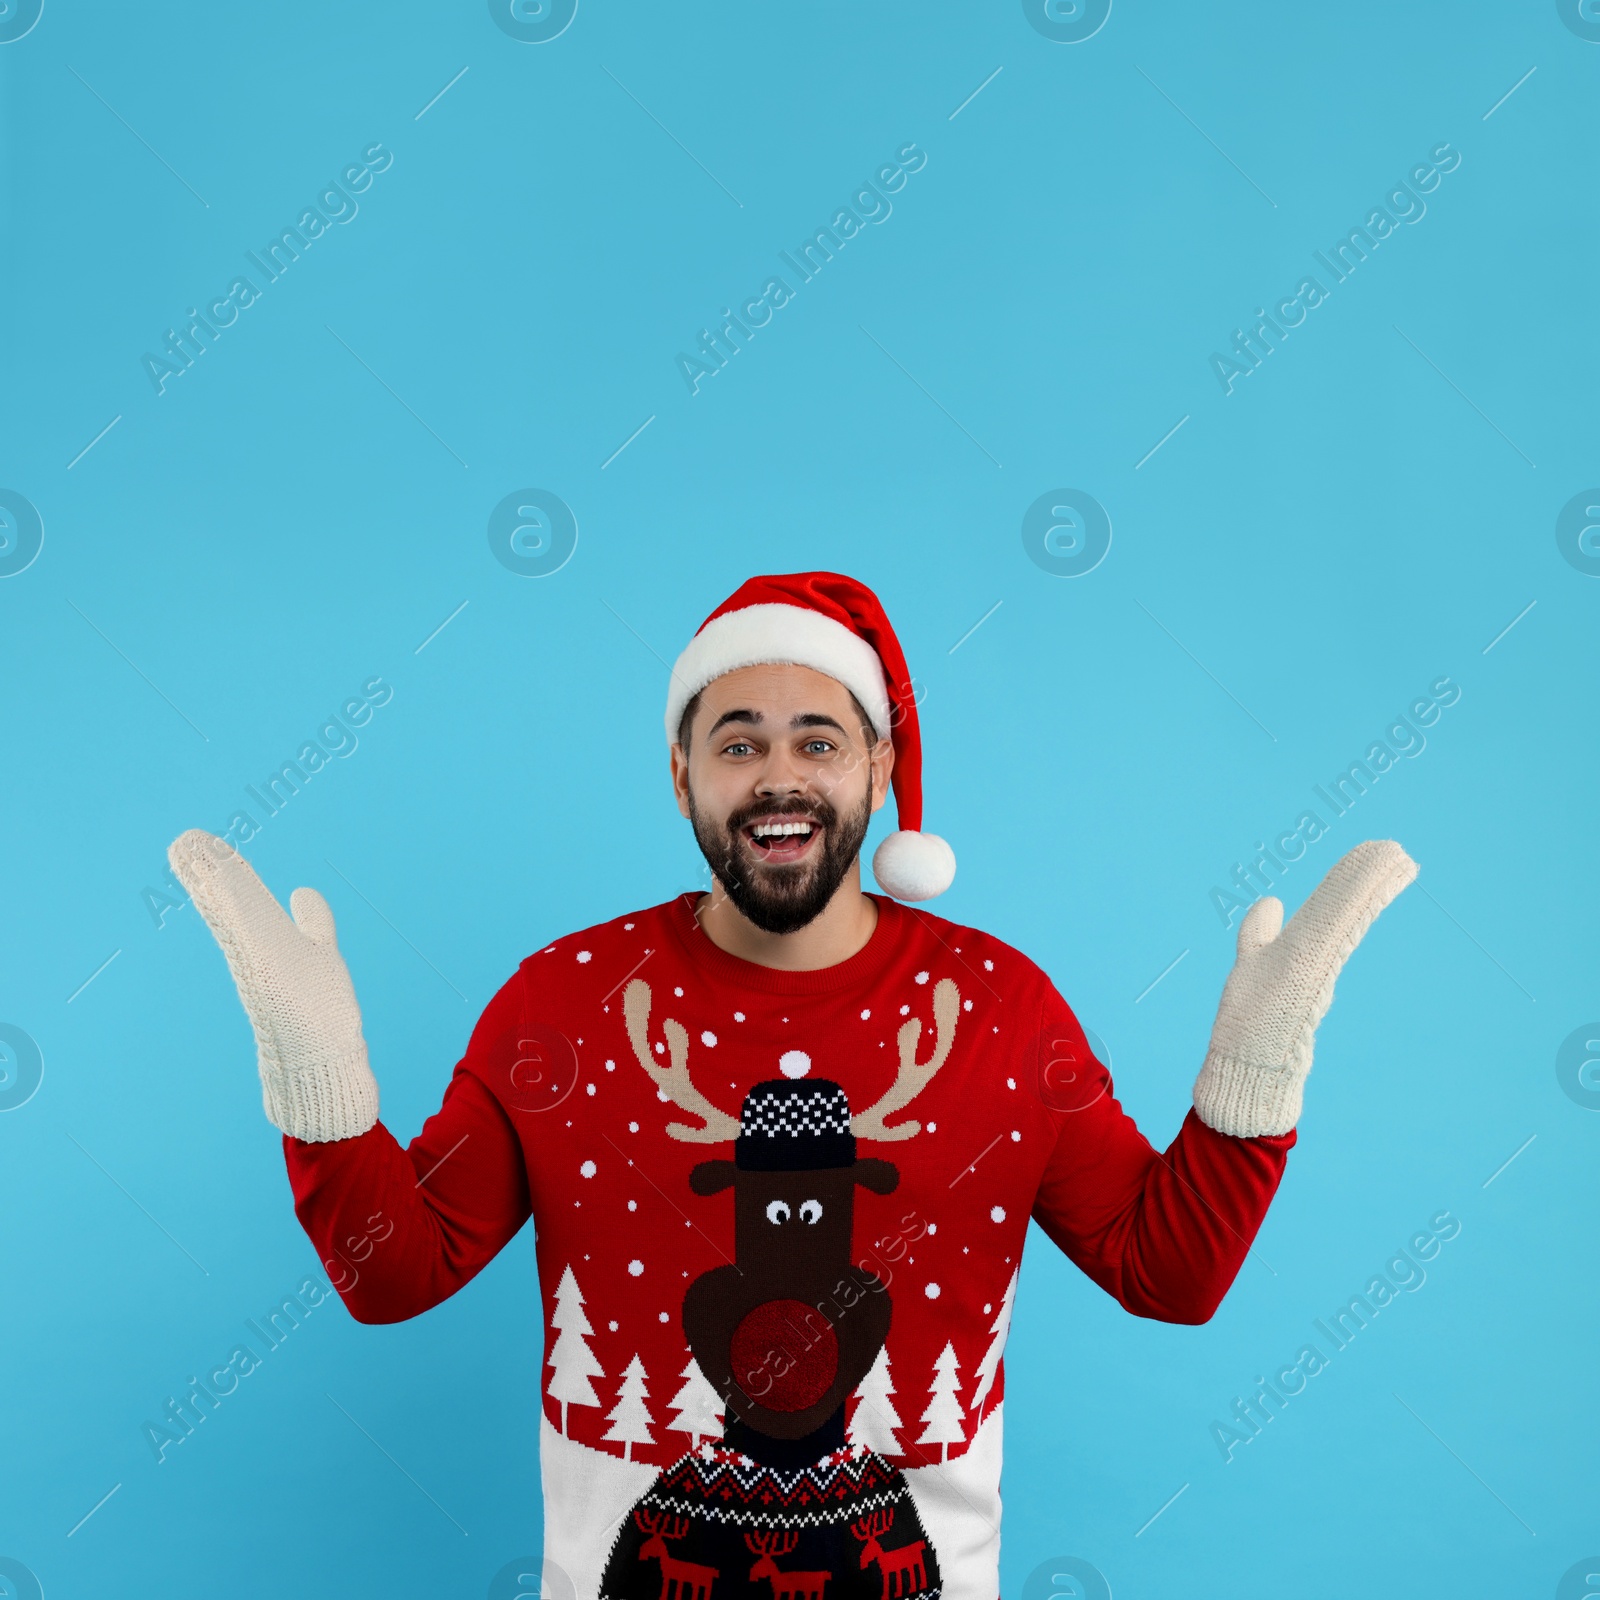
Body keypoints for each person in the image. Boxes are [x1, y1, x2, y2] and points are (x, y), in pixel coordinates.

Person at [168, 571, 1417, 1600]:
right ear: (682, 777)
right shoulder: (559, 1003)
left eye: (819, 740)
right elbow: (396, 1277)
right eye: (738, 741)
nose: (779, 775)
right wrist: (317, 1073)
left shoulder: (996, 1007)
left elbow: (1167, 1272)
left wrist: (1253, 1070)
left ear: (878, 775)